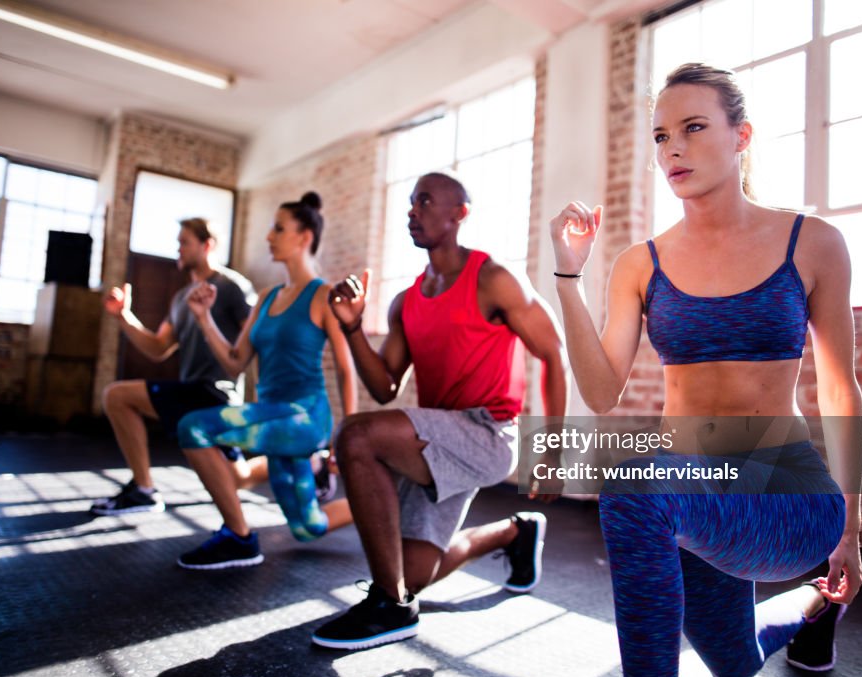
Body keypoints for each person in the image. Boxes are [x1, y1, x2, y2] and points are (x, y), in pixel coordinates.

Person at [549, 63, 862, 677]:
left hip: (788, 495)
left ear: (741, 137)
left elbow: (838, 388)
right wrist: (568, 276)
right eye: (662, 136)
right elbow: (601, 392)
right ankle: (812, 607)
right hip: (693, 493)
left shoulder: (813, 242)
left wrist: (851, 531)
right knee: (735, 660)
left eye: (693, 127)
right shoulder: (640, 264)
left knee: (633, 486)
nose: (674, 149)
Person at [311, 172, 567, 650]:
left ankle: (390, 606)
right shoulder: (405, 302)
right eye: (410, 203)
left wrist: (552, 457)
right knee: (410, 573)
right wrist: (350, 330)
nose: (413, 211)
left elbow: (554, 354)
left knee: (355, 436)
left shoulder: (493, 279)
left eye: (425, 201)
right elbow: (385, 387)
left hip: (488, 435)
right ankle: (514, 532)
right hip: (437, 443)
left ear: (459, 213)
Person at [173, 192, 358, 569]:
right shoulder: (266, 298)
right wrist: (204, 317)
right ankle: (384, 497)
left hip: (304, 417)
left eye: (278, 228)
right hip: (272, 416)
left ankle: (238, 536)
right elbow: (235, 363)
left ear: (304, 237)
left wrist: (346, 437)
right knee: (308, 527)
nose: (269, 237)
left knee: (194, 427)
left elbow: (344, 367)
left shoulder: (323, 295)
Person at [91, 217, 261, 516]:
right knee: (237, 478)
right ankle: (310, 463)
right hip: (191, 393)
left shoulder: (232, 287)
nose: (178, 249)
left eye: (185, 242)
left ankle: (143, 492)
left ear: (207, 246)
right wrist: (122, 316)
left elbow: (256, 338)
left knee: (239, 479)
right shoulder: (181, 298)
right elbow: (158, 348)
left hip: (216, 393)